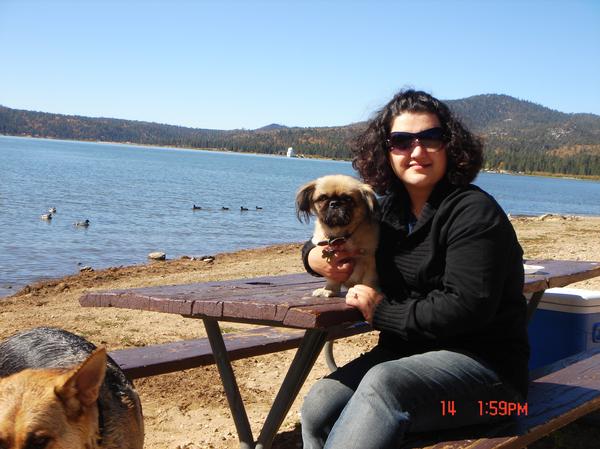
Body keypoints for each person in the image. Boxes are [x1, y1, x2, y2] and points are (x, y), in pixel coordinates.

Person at [300, 89, 529, 449]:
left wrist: (381, 311)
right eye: (402, 141)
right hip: (405, 357)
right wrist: (313, 258)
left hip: (491, 382)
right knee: (319, 405)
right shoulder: (387, 212)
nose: (417, 151)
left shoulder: (474, 213)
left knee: (384, 386)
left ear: (450, 146)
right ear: (386, 151)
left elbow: (467, 307)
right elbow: (336, 235)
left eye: (431, 138)